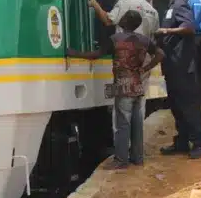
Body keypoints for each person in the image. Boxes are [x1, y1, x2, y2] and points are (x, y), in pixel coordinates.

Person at [68, 10, 164, 170]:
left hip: (122, 86)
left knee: (122, 124)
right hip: (138, 85)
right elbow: (160, 54)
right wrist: (145, 68)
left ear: (125, 21)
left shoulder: (115, 40)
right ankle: (137, 158)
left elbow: (96, 54)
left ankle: (121, 160)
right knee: (137, 123)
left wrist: (74, 53)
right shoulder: (144, 40)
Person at [155, 0, 201, 159]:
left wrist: (166, 31)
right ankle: (182, 141)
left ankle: (198, 143)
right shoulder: (169, 7)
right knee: (176, 105)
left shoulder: (179, 4)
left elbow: (189, 27)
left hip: (183, 66)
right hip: (172, 65)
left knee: (188, 105)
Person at [87, 0, 160, 39]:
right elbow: (155, 34)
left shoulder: (124, 2)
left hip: (124, 52)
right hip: (143, 54)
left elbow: (107, 21)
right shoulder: (154, 12)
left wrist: (95, 4)